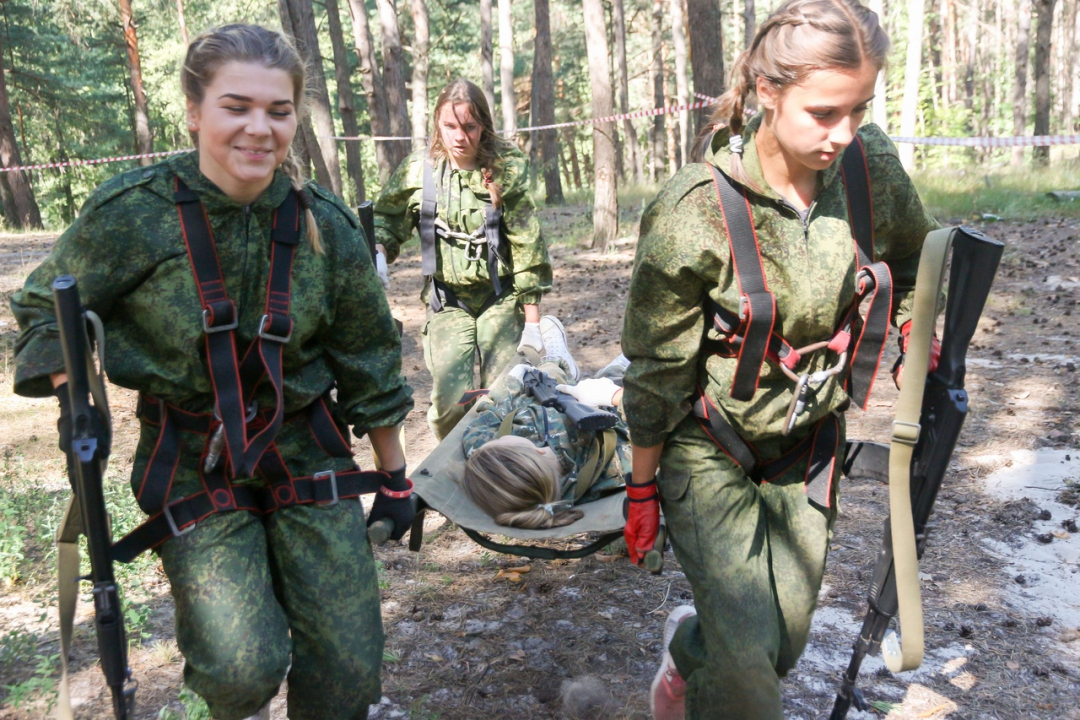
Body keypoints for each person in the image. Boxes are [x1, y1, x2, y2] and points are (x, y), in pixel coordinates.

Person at [11, 25, 413, 720]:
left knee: (349, 674)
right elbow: (46, 310)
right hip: (193, 461)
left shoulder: (327, 226)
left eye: (278, 110)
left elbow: (370, 357)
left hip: (306, 451)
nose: (259, 128)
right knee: (238, 671)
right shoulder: (134, 213)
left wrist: (396, 476)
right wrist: (73, 393)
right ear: (195, 111)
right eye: (237, 106)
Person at [618, 1, 939, 718]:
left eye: (858, 109)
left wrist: (917, 332)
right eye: (824, 113)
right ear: (768, 91)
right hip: (710, 448)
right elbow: (655, 371)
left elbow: (918, 258)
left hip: (810, 448)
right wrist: (641, 490)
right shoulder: (693, 209)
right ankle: (718, 670)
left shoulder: (870, 166)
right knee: (750, 688)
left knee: (781, 645)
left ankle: (688, 659)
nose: (844, 133)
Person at [373, 78, 554, 441]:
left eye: (469, 126)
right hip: (447, 301)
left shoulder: (506, 168)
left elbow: (527, 244)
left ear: (483, 125)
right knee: (449, 404)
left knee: (505, 396)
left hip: (499, 297)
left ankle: (501, 471)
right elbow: (386, 220)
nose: (459, 136)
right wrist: (377, 251)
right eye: (450, 126)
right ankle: (454, 463)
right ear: (438, 125)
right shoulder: (418, 171)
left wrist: (533, 324)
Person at [460, 318, 630, 529]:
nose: (498, 436)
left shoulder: (491, 463)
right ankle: (618, 370)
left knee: (549, 374)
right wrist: (615, 396)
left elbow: (481, 427)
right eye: (501, 439)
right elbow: (654, 428)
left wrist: (512, 384)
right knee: (613, 378)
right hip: (601, 408)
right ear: (538, 452)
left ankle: (555, 359)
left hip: (542, 391)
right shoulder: (612, 468)